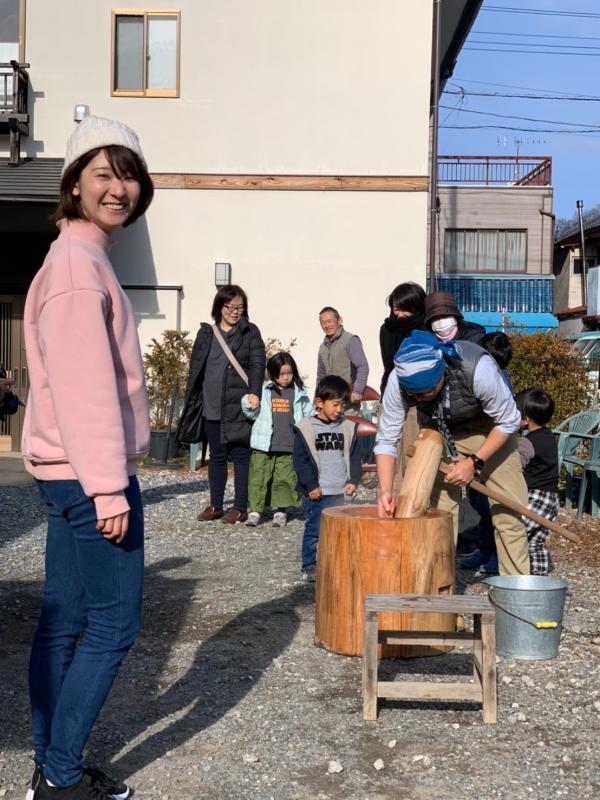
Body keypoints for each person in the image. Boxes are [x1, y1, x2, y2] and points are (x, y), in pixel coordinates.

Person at [22, 115, 154, 800]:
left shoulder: (78, 258)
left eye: (128, 174)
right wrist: (109, 489)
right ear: (73, 184)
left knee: (66, 621)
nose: (119, 188)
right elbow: (84, 391)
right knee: (113, 626)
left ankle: (50, 762)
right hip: (88, 478)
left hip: (64, 474)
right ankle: (61, 777)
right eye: (104, 173)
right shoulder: (78, 267)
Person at [374, 330, 531, 576]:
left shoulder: (477, 367)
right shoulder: (398, 380)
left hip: (491, 430)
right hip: (441, 434)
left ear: (442, 372)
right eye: (414, 395)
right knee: (440, 517)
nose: (419, 399)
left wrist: (475, 461)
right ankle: (441, 597)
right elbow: (386, 440)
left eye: (426, 392)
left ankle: (516, 597)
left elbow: (509, 420)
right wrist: (385, 491)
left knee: (508, 513)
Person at [177, 285, 266, 524]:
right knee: (216, 455)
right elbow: (196, 369)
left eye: (240, 307)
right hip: (211, 404)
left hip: (238, 405)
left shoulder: (250, 332)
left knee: (240, 456)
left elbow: (258, 364)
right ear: (219, 307)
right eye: (230, 307)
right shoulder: (207, 334)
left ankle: (239, 506)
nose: (235, 312)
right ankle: (216, 504)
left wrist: (255, 392)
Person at [293, 375, 362, 582]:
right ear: (319, 403)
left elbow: (355, 456)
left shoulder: (347, 427)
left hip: (341, 492)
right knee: (315, 531)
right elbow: (300, 460)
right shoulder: (306, 428)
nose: (339, 410)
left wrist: (353, 480)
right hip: (318, 493)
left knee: (342, 531)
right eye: (335, 404)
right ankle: (309, 565)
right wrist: (311, 485)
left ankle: (337, 563)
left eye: (342, 405)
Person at [460, 332, 514, 575]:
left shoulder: (501, 381)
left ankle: (496, 556)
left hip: (495, 447)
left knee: (497, 509)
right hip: (476, 448)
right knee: (480, 505)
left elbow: (505, 424)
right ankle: (484, 549)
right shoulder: (474, 371)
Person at [241, 351, 313, 527]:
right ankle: (255, 511)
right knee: (258, 477)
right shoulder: (264, 390)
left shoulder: (299, 393)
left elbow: (308, 415)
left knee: (284, 479)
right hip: (264, 444)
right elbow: (251, 413)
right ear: (272, 374)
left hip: (288, 444)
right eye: (281, 374)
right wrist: (249, 402)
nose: (286, 377)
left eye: (289, 373)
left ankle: (280, 510)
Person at [515, 388, 559, 576]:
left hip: (537, 497)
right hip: (552, 499)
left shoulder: (526, 443)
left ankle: (515, 572)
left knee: (516, 532)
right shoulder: (548, 436)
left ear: (526, 420)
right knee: (536, 540)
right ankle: (539, 577)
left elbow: (516, 468)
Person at [379, 282, 427, 395]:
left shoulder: (425, 328)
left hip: (419, 395)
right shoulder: (387, 329)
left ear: (416, 307)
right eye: (396, 309)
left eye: (405, 309)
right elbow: (388, 364)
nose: (400, 315)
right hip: (390, 392)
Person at [316, 307, 369, 406]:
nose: (327, 325)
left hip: (348, 403)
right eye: (323, 322)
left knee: (347, 422)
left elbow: (363, 366)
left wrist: (358, 390)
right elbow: (320, 377)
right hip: (328, 405)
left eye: (329, 321)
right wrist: (317, 398)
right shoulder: (322, 348)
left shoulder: (351, 340)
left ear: (339, 320)